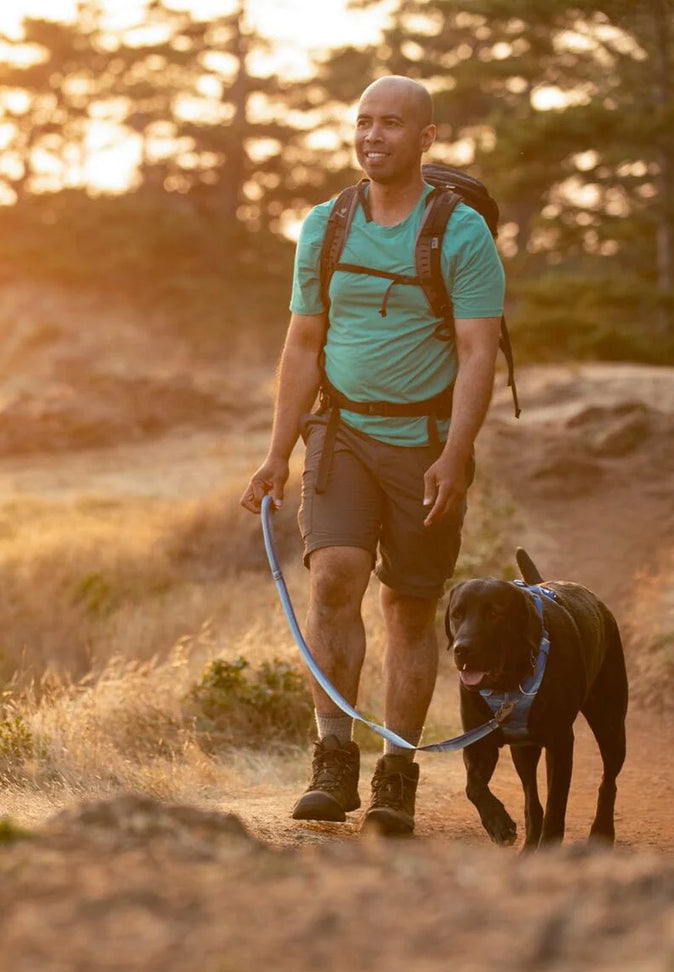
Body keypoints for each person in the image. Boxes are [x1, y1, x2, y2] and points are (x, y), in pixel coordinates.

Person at [240, 75, 505, 836]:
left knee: (411, 609)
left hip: (425, 442)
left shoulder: (460, 234)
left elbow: (476, 350)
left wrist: (457, 454)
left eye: (391, 124)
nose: (373, 137)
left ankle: (397, 772)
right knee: (333, 580)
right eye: (363, 123)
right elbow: (303, 340)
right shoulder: (325, 225)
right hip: (342, 435)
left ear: (427, 137)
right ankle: (332, 759)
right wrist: (275, 452)